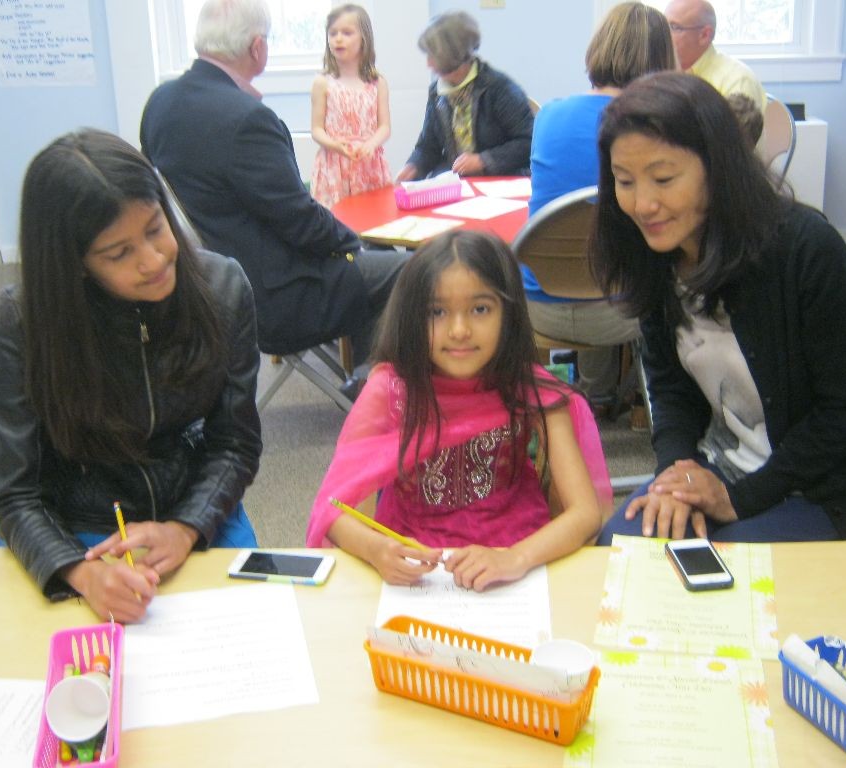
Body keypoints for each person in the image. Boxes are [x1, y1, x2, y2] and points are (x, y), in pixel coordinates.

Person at [589, 72, 846, 544]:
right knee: (620, 550)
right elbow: (669, 387)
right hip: (724, 463)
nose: (643, 203)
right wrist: (677, 473)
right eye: (624, 181)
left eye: (664, 178)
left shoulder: (807, 250)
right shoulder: (654, 257)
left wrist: (739, 499)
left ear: (718, 168)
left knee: (725, 575)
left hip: (821, 484)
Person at [0, 129, 262, 623]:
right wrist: (80, 572)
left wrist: (185, 527)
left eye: (156, 229)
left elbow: (235, 444)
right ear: (73, 264)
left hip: (199, 509)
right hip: (85, 533)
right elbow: (16, 493)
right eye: (119, 253)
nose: (153, 260)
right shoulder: (29, 319)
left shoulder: (222, 288)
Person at [306, 231, 612, 591]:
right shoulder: (390, 391)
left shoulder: (532, 389)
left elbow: (585, 513)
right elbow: (333, 508)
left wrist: (515, 558)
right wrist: (375, 549)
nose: (459, 330)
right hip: (412, 561)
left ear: (509, 313)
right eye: (437, 312)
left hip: (517, 552)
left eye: (480, 309)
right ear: (411, 317)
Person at [140, 0, 407, 385]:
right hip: (274, 297)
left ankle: (363, 382)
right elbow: (300, 221)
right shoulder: (248, 119)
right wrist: (354, 242)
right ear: (257, 47)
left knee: (370, 268)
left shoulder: (160, 102)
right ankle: (371, 390)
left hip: (213, 284)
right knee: (406, 270)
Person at [526, 1, 675, 413]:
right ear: (661, 60)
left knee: (596, 253)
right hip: (619, 313)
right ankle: (618, 396)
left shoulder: (549, 115)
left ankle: (589, 396)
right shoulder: (658, 126)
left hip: (538, 305)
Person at [395, 11, 533, 181]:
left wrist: (483, 160)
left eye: (433, 56)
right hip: (457, 183)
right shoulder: (437, 92)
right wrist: (413, 166)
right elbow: (428, 147)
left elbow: (528, 141)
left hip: (499, 181)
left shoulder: (498, 88)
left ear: (452, 55)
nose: (428, 64)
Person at [309, 4, 391, 208]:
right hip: (334, 166)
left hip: (368, 166)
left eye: (347, 33)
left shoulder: (377, 82)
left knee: (372, 217)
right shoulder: (322, 83)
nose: (338, 39)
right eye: (333, 33)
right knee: (336, 220)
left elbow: (384, 127)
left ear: (364, 38)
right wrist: (335, 145)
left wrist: (371, 144)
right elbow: (317, 129)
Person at [664, 0, 766, 109]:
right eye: (664, 25)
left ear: (705, 35)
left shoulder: (738, 81)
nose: (664, 34)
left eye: (673, 27)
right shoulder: (665, 71)